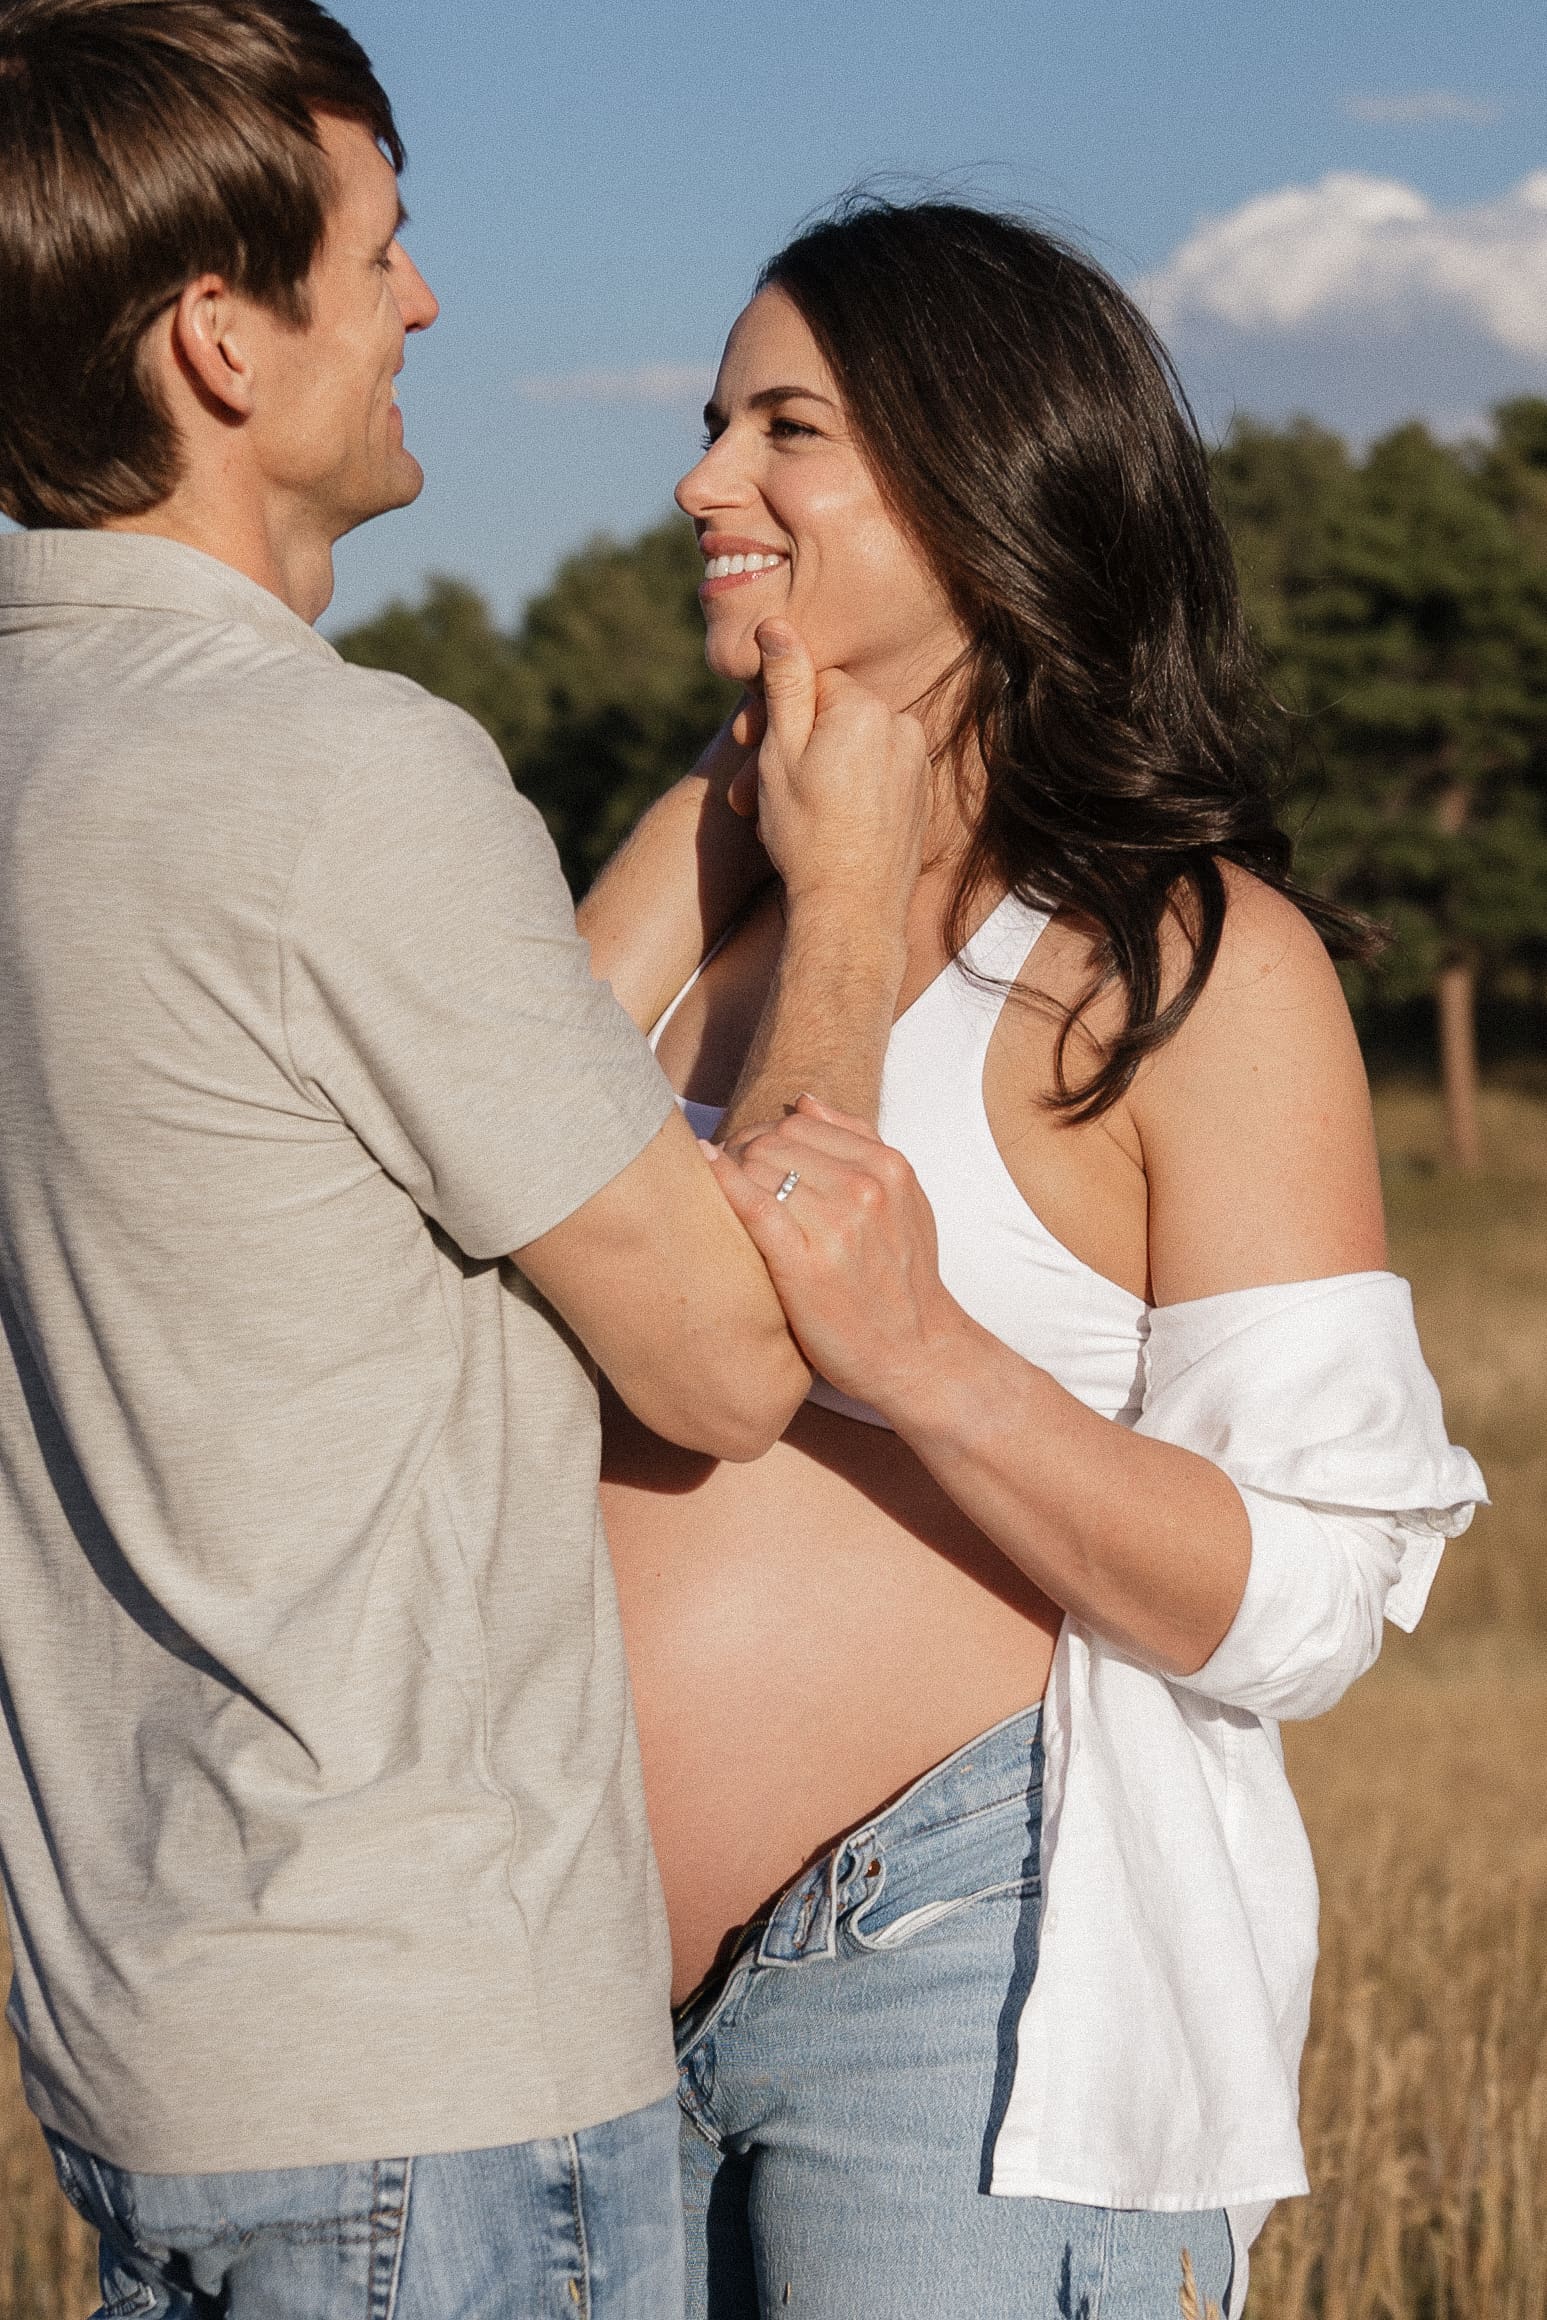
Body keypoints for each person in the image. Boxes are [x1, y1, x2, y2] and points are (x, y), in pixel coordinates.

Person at [0, 7, 931, 2314]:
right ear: (222, 336)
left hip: (150, 2054)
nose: (421, 303)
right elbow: (723, 1363)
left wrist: (706, 820)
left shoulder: (67, 751)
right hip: (431, 2088)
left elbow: (429, 1076)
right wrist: (849, 902)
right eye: (383, 248)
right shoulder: (341, 776)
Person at [581, 199, 1487, 2320]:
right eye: (718, 422)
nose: (707, 478)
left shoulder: (1176, 960)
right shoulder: (681, 933)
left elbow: (1319, 1586)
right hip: (577, 2019)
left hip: (957, 2002)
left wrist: (932, 1356)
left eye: (786, 427)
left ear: (988, 479)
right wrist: (685, 851)